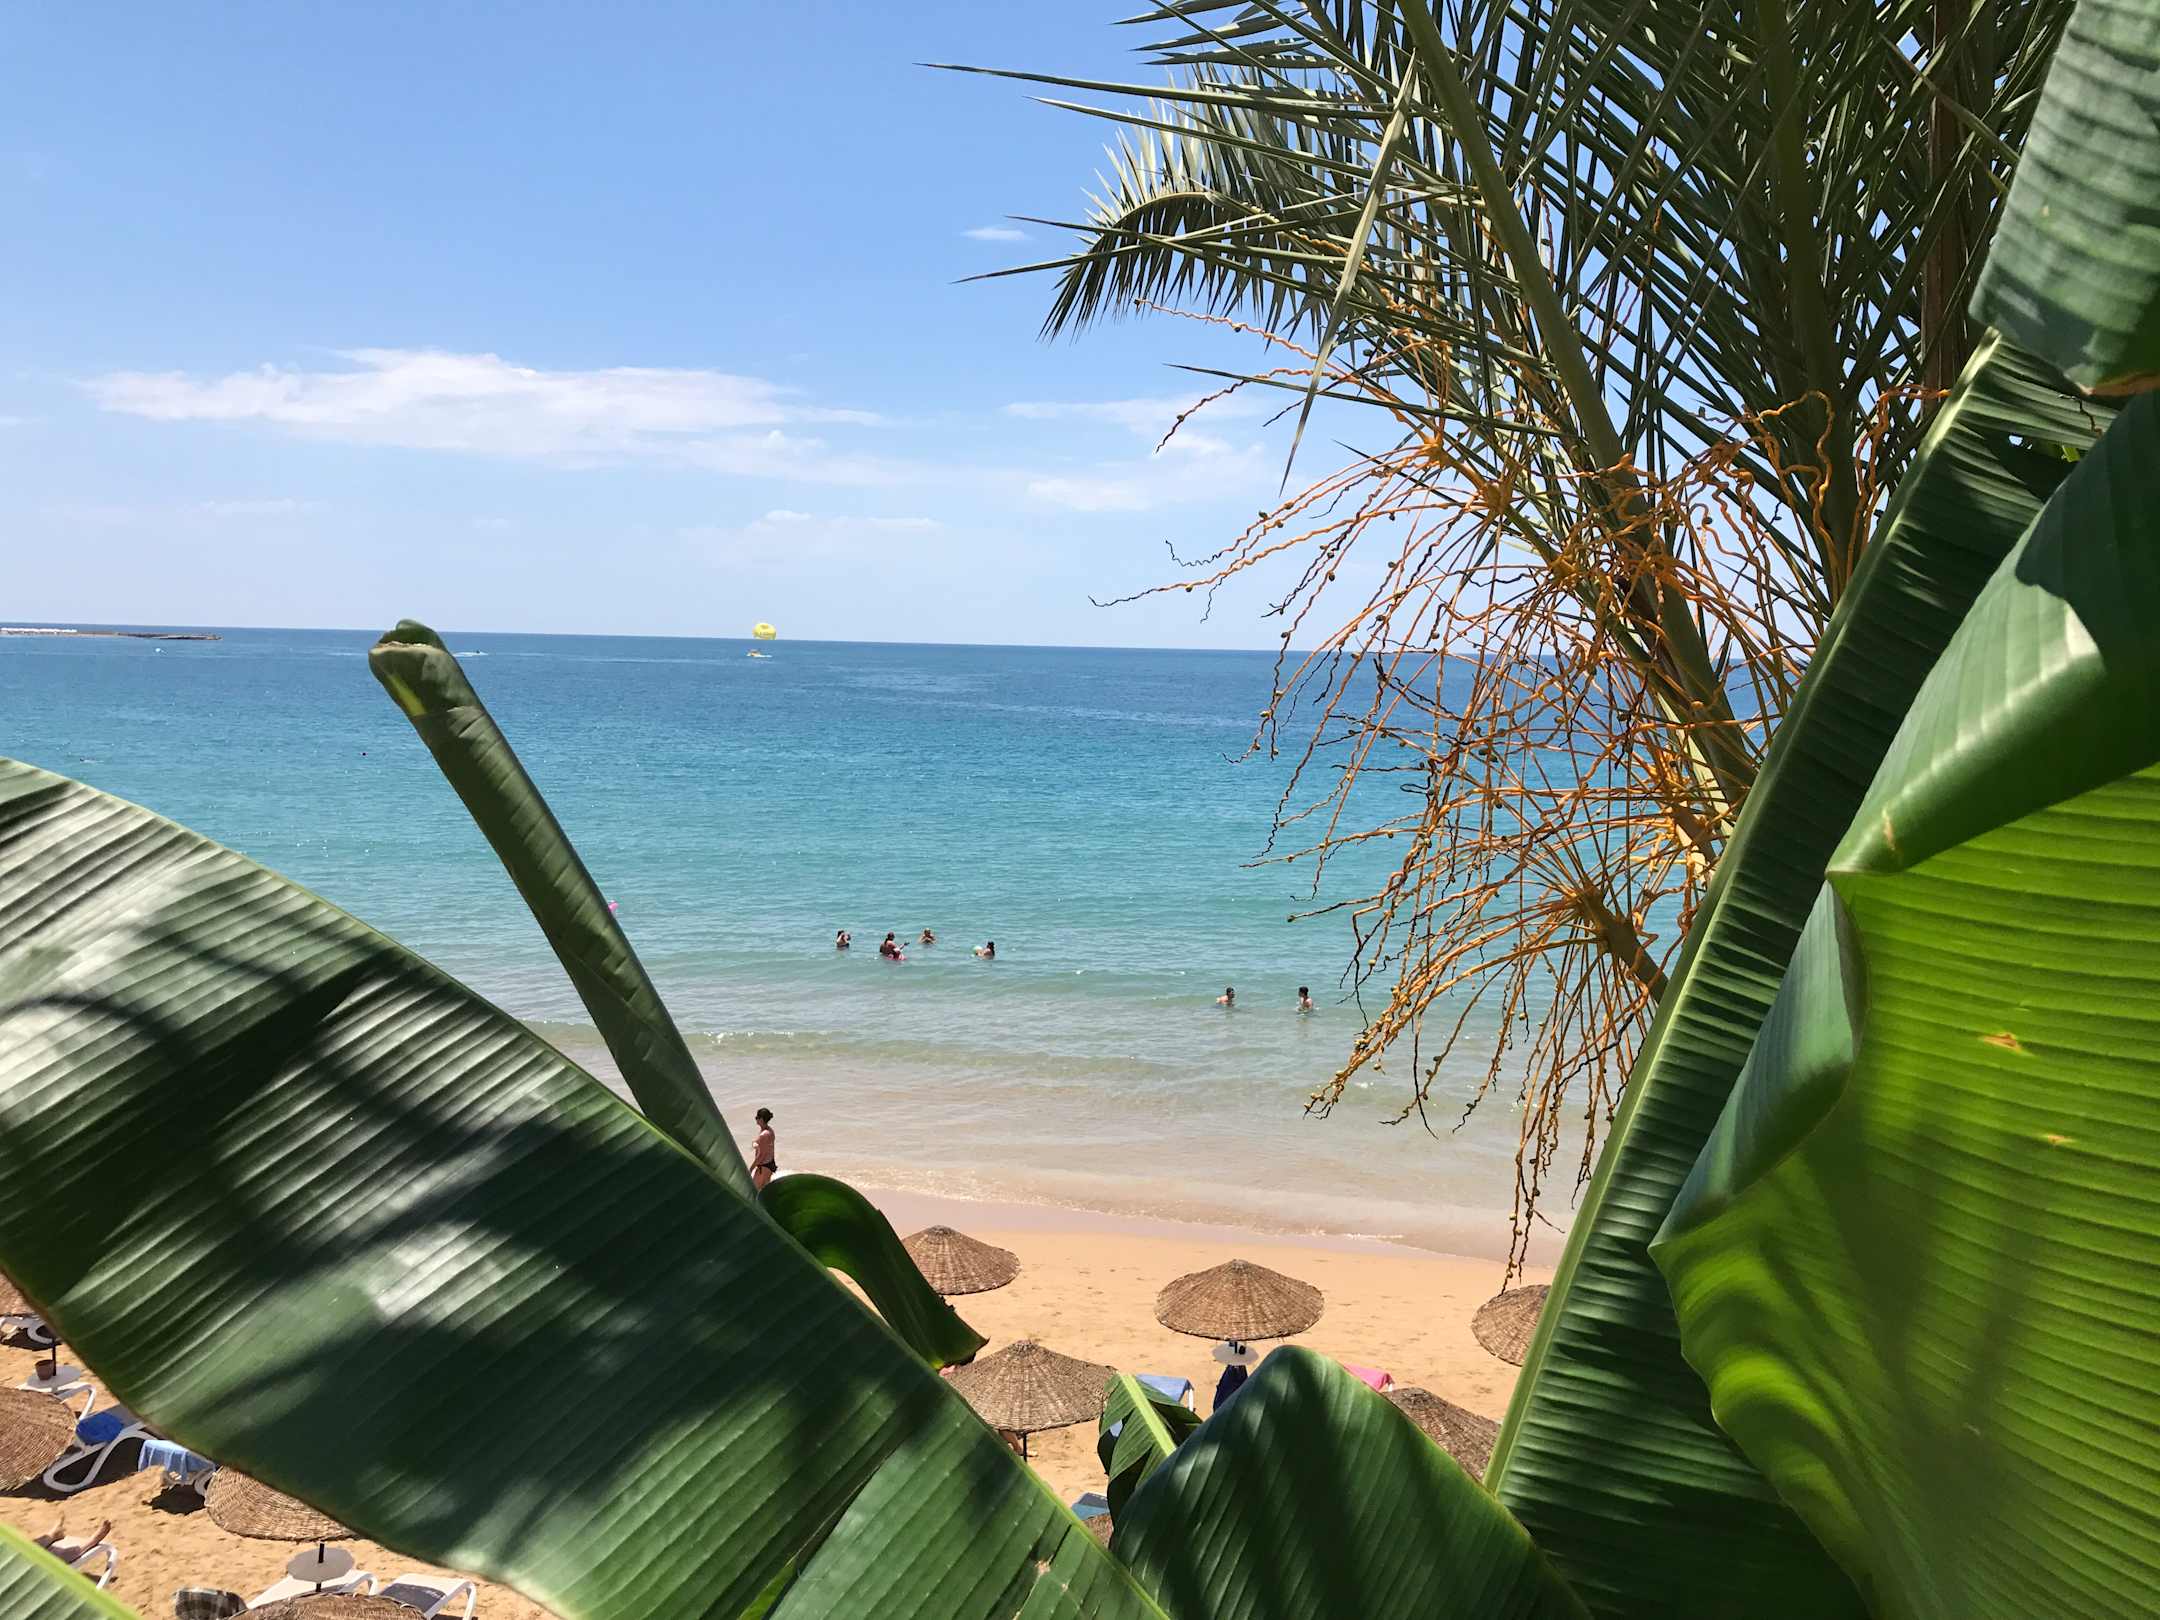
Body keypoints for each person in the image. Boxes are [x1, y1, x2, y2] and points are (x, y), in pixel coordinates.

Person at [749, 1108, 777, 1191]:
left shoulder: (763, 1135)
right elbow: (767, 1148)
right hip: (770, 1164)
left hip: (763, 1167)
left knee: (754, 1191)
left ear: (761, 1119)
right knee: (765, 1191)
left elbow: (761, 1156)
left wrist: (751, 1169)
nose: (756, 1119)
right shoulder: (770, 1130)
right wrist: (756, 1144)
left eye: (757, 1117)